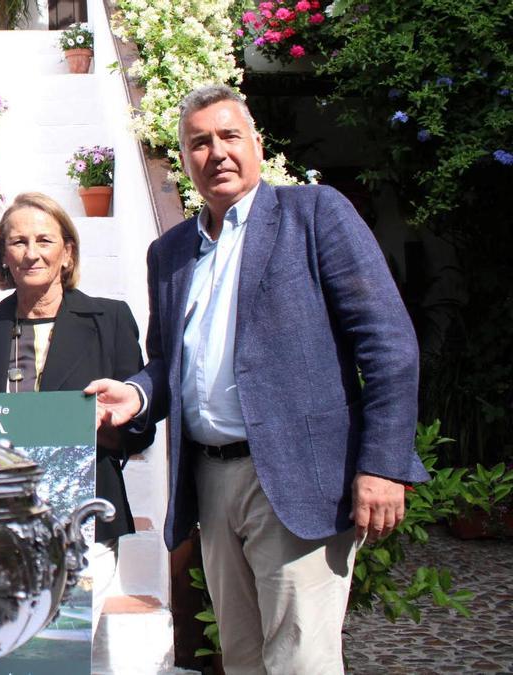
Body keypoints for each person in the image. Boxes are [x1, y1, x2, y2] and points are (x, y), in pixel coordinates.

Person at [88, 84, 428, 673]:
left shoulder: (314, 214)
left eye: (228, 136)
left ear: (257, 145)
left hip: (298, 478)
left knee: (301, 659)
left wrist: (382, 464)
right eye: (198, 142)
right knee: (241, 657)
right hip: (212, 485)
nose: (215, 152)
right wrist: (139, 391)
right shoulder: (169, 252)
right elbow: (171, 360)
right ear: (184, 160)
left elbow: (389, 343)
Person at [0, 192, 154, 546]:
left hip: (85, 513)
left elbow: (142, 431)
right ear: (3, 256)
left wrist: (109, 427)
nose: (32, 253)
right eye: (18, 242)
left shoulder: (110, 320)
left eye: (44, 240)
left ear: (67, 253)